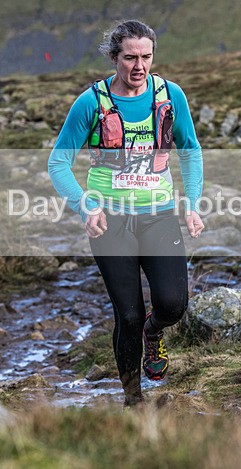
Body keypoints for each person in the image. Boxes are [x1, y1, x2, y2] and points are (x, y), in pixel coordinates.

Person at [48, 20, 204, 406]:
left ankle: (156, 333)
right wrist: (84, 204)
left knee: (173, 305)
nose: (139, 66)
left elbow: (191, 150)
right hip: (110, 222)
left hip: (159, 214)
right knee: (128, 316)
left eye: (146, 56)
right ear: (114, 57)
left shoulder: (170, 95)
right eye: (130, 57)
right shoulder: (92, 102)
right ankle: (133, 400)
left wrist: (192, 203)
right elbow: (58, 162)